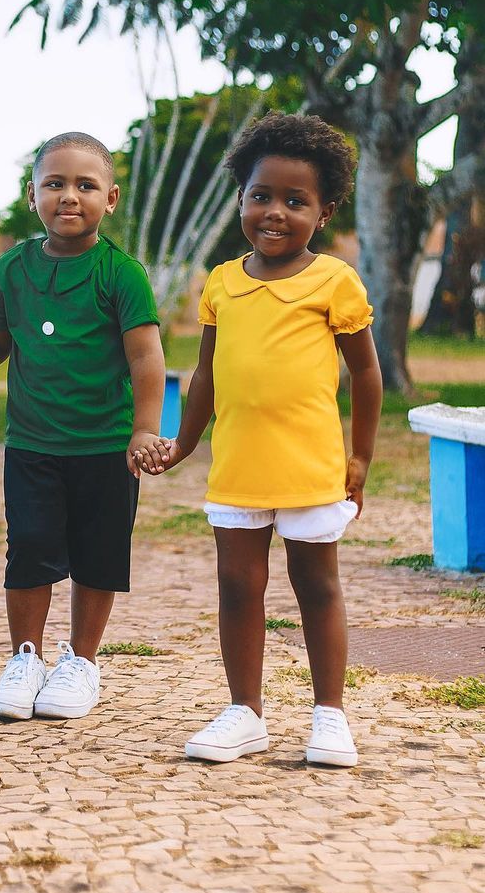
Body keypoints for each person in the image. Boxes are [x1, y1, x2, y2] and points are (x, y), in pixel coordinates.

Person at [0, 131, 169, 721]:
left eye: (85, 185)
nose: (69, 196)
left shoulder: (121, 274)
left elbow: (145, 357)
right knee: (28, 549)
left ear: (110, 199)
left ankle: (81, 663)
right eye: (54, 183)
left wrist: (144, 430)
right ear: (32, 196)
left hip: (105, 446)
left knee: (99, 556)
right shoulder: (14, 268)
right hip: (31, 444)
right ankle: (24, 659)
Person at [157, 112, 382, 767]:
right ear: (240, 199)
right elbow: (205, 375)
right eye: (261, 196)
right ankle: (245, 713)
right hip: (239, 466)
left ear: (325, 211)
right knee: (237, 584)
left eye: (295, 201)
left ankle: (330, 716)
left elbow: (367, 375)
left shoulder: (334, 281)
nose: (274, 212)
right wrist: (183, 443)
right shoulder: (221, 283)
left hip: (310, 466)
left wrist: (361, 456)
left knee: (317, 585)